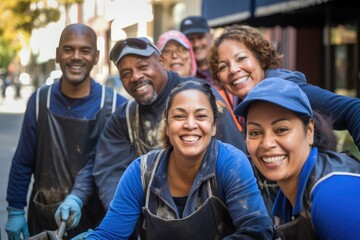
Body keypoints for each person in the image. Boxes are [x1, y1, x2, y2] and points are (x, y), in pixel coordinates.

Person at [87, 80, 273, 239]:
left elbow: (256, 230)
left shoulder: (230, 163)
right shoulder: (141, 173)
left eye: (200, 116)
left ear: (214, 126)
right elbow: (110, 235)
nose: (190, 125)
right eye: (179, 116)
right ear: (167, 126)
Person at [208, 24, 360, 214]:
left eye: (241, 58)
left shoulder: (289, 91)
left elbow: (354, 110)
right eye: (223, 66)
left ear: (260, 59)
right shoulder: (244, 103)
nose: (233, 69)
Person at [93, 36, 246, 213]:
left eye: (143, 67)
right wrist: (123, 217)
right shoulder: (123, 119)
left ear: (162, 62)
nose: (135, 76)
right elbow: (109, 173)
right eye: (126, 74)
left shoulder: (201, 97)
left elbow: (236, 162)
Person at [5, 23, 128, 239]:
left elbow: (122, 175)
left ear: (97, 56)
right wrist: (15, 210)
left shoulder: (115, 106)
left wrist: (114, 226)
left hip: (97, 225)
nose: (76, 57)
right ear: (57, 54)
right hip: (44, 219)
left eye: (85, 50)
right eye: (69, 49)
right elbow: (23, 162)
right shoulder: (39, 102)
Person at [234, 77, 360, 240]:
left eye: (281, 130)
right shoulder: (287, 195)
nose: (266, 144)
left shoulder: (331, 196)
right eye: (255, 133)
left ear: (309, 131)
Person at [180, 16, 240, 131]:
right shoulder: (184, 77)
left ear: (211, 37)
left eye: (200, 37)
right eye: (190, 39)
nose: (196, 44)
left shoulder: (227, 67)